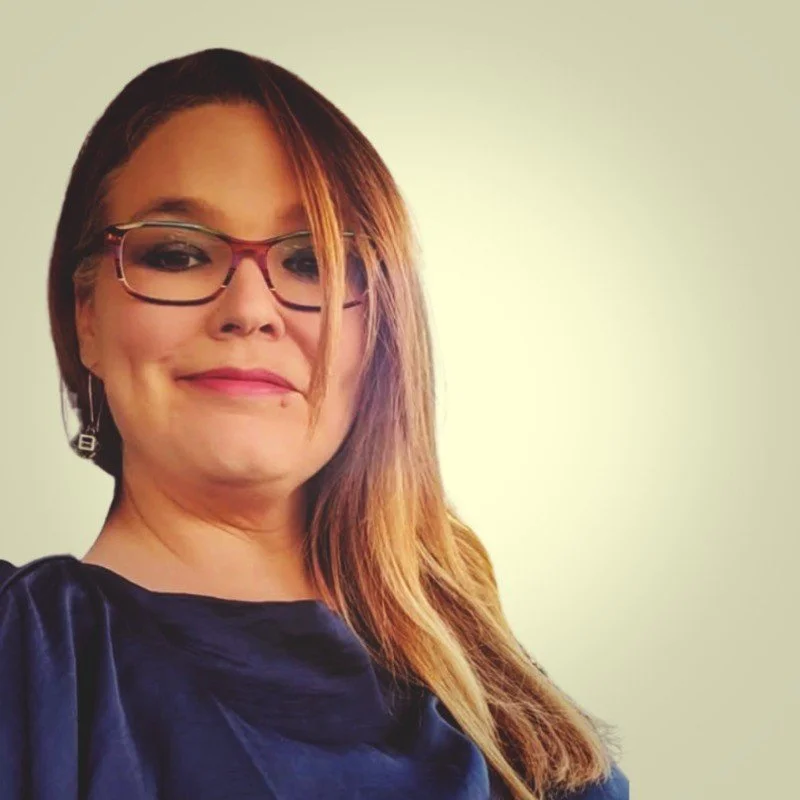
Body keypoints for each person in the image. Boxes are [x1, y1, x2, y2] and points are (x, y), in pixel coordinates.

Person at [0, 48, 629, 800]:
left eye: (312, 262)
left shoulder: (508, 712)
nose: (249, 308)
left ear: (384, 336)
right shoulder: (23, 662)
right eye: (177, 252)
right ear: (86, 320)